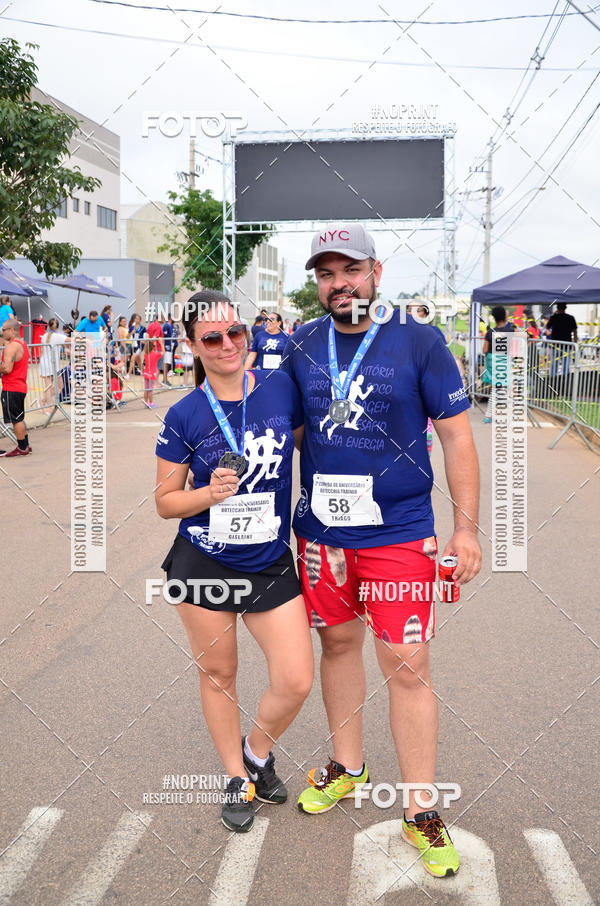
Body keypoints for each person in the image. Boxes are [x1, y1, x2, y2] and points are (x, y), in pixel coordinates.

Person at [281, 223, 481, 878]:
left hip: (397, 534)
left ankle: (420, 806)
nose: (337, 284)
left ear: (376, 270)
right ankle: (348, 766)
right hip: (320, 534)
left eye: (349, 270)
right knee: (336, 645)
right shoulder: (303, 344)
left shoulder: (420, 341)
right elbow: (283, 433)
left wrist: (467, 528)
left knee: (407, 663)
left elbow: (456, 439)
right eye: (325, 273)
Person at [155, 289, 313, 833]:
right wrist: (207, 495)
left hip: (269, 561)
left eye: (235, 333)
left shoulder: (279, 390)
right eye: (212, 338)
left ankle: (256, 751)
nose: (227, 345)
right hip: (205, 562)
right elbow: (164, 502)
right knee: (219, 672)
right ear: (192, 345)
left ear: (247, 333)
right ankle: (235, 776)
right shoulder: (184, 413)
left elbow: (310, 443)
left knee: (295, 679)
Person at [0, 318, 32, 457]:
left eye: (4, 330)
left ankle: (22, 447)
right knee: (19, 417)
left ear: (12, 330)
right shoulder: (22, 343)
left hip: (11, 387)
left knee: (16, 419)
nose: (2, 332)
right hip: (19, 386)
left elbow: (6, 368)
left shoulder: (11, 347)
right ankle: (25, 445)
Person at [481, 305, 515, 423]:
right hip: (504, 360)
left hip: (492, 360)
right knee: (505, 388)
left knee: (496, 388)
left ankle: (488, 415)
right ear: (504, 317)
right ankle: (510, 413)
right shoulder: (510, 330)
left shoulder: (490, 332)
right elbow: (525, 336)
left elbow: (484, 350)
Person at [39, 318, 66, 410]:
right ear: (57, 327)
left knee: (60, 385)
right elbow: (71, 340)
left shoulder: (45, 336)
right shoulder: (58, 336)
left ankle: (43, 400)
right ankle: (49, 407)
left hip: (50, 364)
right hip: (48, 364)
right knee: (49, 387)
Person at [546, 302, 578, 377]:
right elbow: (575, 331)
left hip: (555, 345)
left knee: (554, 365)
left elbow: (547, 329)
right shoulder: (571, 318)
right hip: (567, 345)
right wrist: (575, 343)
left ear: (557, 308)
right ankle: (566, 380)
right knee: (566, 366)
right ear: (565, 308)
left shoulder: (553, 317)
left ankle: (553, 380)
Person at [143, 338, 162, 408]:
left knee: (146, 389)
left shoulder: (145, 354)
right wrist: (162, 344)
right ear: (152, 347)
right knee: (150, 390)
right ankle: (151, 403)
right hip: (152, 374)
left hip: (146, 373)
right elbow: (163, 352)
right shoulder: (155, 354)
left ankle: (146, 403)